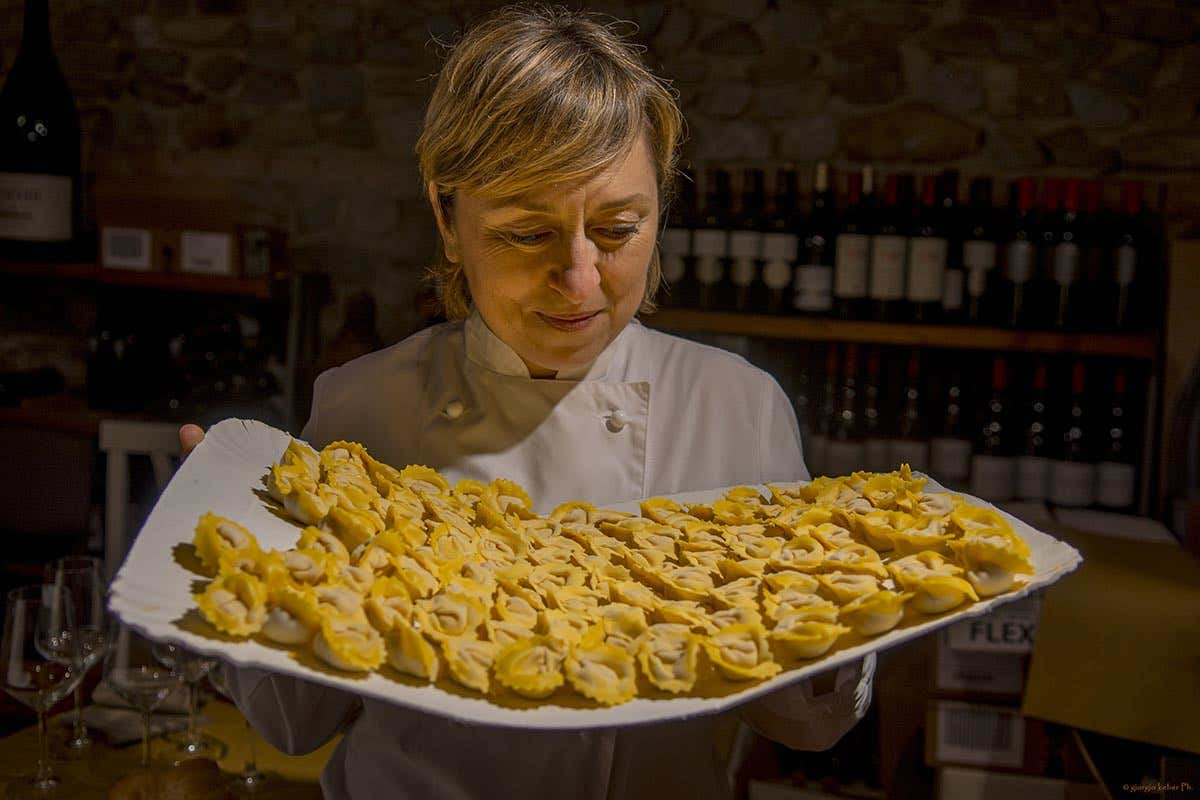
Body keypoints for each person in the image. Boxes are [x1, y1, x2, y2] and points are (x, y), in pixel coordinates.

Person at [180, 6, 875, 798]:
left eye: (618, 228)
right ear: (447, 219)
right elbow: (296, 722)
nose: (579, 280)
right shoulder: (362, 410)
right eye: (525, 234)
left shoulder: (735, 408)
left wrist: (833, 613)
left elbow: (807, 723)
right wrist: (238, 561)